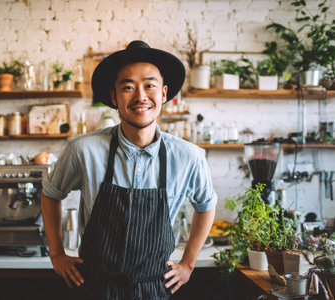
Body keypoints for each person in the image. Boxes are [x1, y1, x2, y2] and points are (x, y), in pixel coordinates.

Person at [41, 40, 217, 299]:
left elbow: (206, 205)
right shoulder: (83, 149)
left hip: (155, 289)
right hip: (93, 287)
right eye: (128, 87)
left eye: (150, 85)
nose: (140, 96)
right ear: (114, 97)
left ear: (164, 93)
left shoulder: (189, 157)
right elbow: (50, 194)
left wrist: (188, 264)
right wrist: (56, 254)